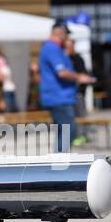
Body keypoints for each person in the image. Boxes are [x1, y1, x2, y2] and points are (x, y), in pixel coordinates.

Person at [39, 21, 92, 152]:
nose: (67, 38)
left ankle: (58, 161)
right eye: (66, 34)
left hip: (60, 96)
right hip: (59, 97)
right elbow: (62, 72)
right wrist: (79, 77)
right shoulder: (52, 48)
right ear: (59, 32)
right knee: (70, 130)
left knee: (63, 131)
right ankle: (59, 162)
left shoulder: (56, 49)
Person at [64, 38, 91, 147]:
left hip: (78, 92)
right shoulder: (64, 58)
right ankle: (75, 136)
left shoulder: (78, 59)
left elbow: (83, 76)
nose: (68, 48)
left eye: (69, 46)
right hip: (69, 93)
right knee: (72, 116)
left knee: (80, 115)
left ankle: (82, 135)